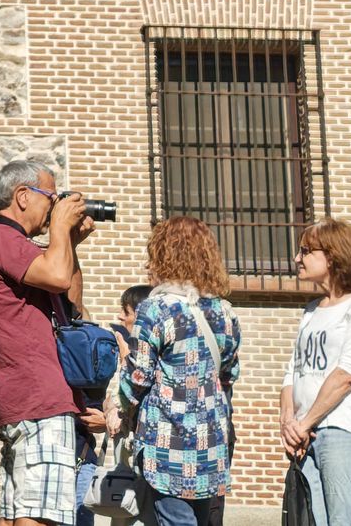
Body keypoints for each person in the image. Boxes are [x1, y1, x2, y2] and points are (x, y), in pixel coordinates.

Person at [0, 158, 96, 526]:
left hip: (28, 398)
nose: (55, 206)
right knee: (39, 516)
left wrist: (69, 242)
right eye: (51, 197)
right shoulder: (0, 237)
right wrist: (60, 228)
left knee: (16, 516)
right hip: (38, 399)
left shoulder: (16, 246)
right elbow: (57, 276)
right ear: (23, 196)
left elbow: (73, 307)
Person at [119, 217, 241, 526]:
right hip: (211, 443)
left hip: (168, 444)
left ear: (163, 255)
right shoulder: (223, 311)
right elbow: (229, 374)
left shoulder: (155, 309)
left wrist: (120, 407)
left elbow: (138, 378)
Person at [281, 219, 351, 526]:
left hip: (343, 431)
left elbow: (346, 374)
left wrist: (303, 423)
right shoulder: (311, 310)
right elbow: (292, 372)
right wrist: (289, 423)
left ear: (333, 255)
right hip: (306, 433)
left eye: (305, 251)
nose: (297, 258)